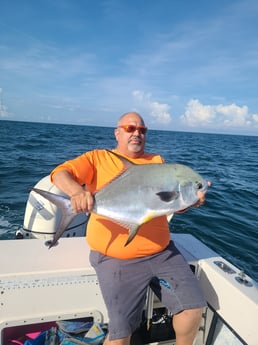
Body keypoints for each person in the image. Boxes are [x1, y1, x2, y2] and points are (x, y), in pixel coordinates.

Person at [50, 112, 208, 345]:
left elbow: (166, 205)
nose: (137, 134)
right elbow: (60, 173)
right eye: (130, 128)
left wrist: (190, 201)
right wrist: (77, 192)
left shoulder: (157, 161)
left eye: (142, 130)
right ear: (117, 132)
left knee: (192, 310)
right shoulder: (98, 158)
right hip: (116, 257)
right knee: (121, 333)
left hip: (162, 252)